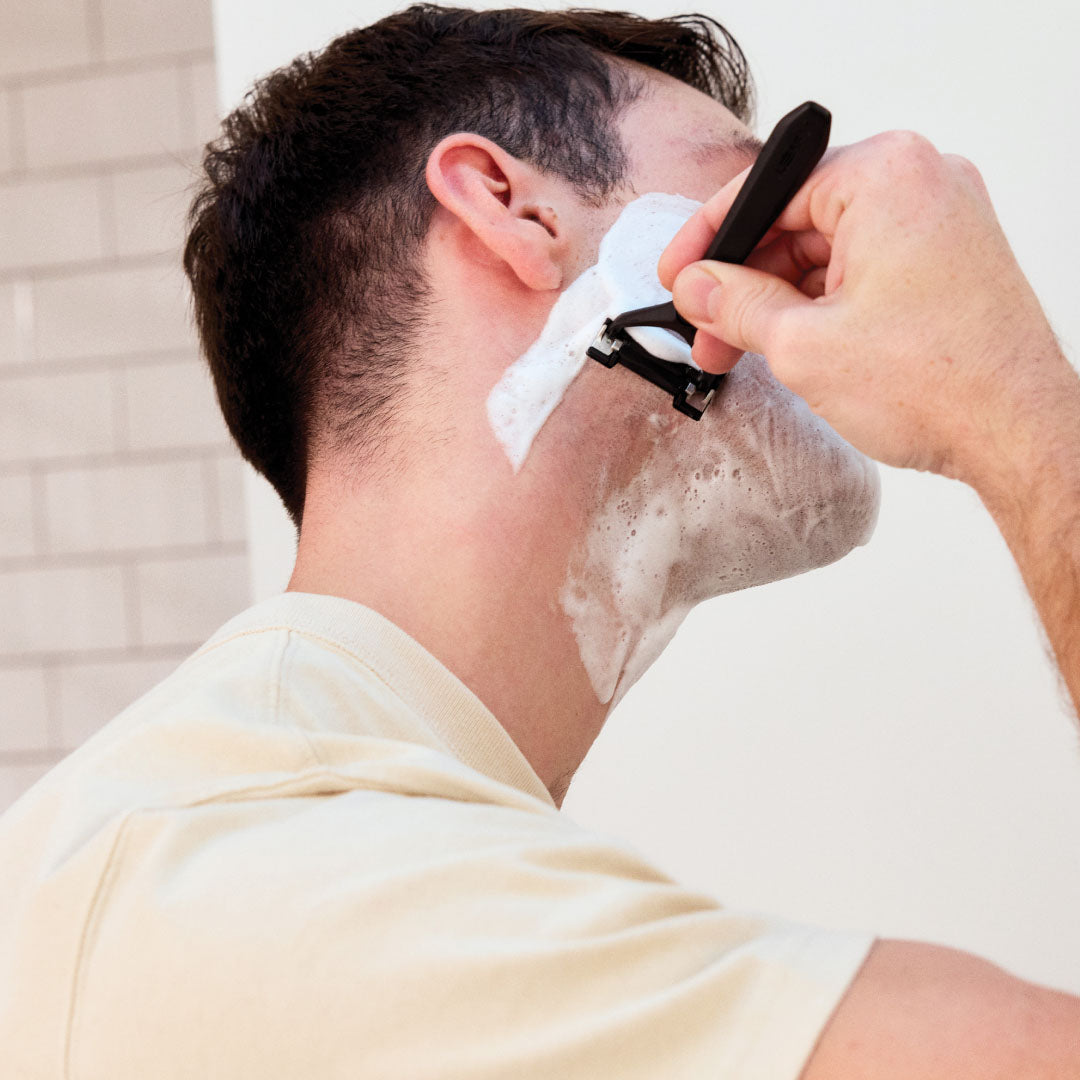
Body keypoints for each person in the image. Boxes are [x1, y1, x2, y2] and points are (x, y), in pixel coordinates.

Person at [0, 4, 1077, 1077]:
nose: (822, 267)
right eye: (754, 190)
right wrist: (1009, 396)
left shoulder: (226, 836)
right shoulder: (298, 893)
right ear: (507, 208)